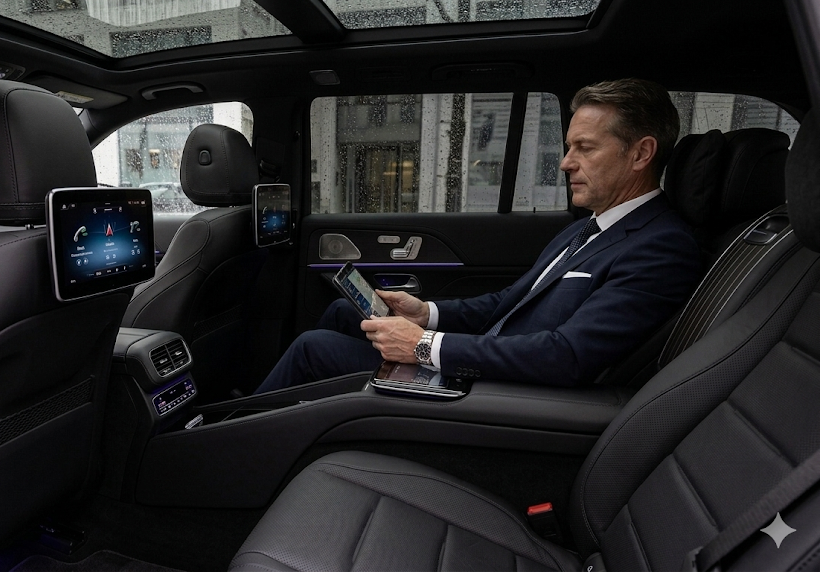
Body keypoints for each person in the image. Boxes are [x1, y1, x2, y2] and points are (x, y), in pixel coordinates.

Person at [254, 78, 702, 394]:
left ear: (641, 153)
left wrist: (424, 347)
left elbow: (567, 356)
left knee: (314, 349)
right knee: (339, 312)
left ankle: (234, 440)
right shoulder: (590, 227)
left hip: (498, 393)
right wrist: (425, 313)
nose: (566, 163)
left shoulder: (661, 247)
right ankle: (287, 419)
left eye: (584, 148)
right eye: (568, 147)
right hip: (488, 364)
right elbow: (510, 302)